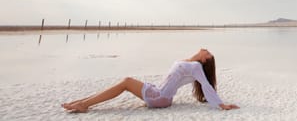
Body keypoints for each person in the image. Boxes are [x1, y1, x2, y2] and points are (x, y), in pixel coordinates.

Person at [61, 48, 239, 112]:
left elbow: (206, 85)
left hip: (159, 97)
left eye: (208, 53)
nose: (206, 50)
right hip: (159, 93)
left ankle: (85, 105)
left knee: (126, 81)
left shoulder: (197, 67)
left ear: (205, 60)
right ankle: (80, 102)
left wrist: (221, 105)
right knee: (126, 82)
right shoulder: (190, 62)